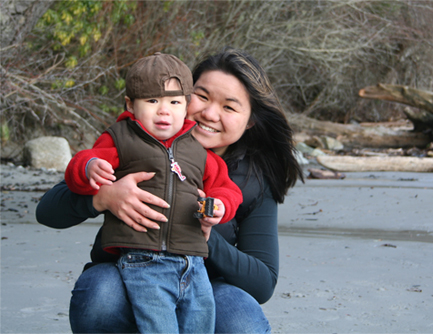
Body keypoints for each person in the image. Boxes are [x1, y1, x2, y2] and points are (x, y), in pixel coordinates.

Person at [36, 47, 304, 333]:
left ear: (250, 120)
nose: (209, 113)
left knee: (242, 320)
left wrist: (200, 234)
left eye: (229, 107)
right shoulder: (134, 142)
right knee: (100, 296)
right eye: (201, 97)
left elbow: (262, 283)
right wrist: (104, 197)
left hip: (203, 287)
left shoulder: (251, 180)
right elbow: (48, 211)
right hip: (128, 275)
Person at [63, 52, 243, 333]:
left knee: (200, 323)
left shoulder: (197, 149)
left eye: (174, 102)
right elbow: (79, 165)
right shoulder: (121, 138)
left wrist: (219, 205)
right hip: (143, 259)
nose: (163, 110)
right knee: (159, 326)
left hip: (193, 261)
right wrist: (89, 168)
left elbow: (226, 188)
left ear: (186, 107)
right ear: (130, 105)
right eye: (152, 101)